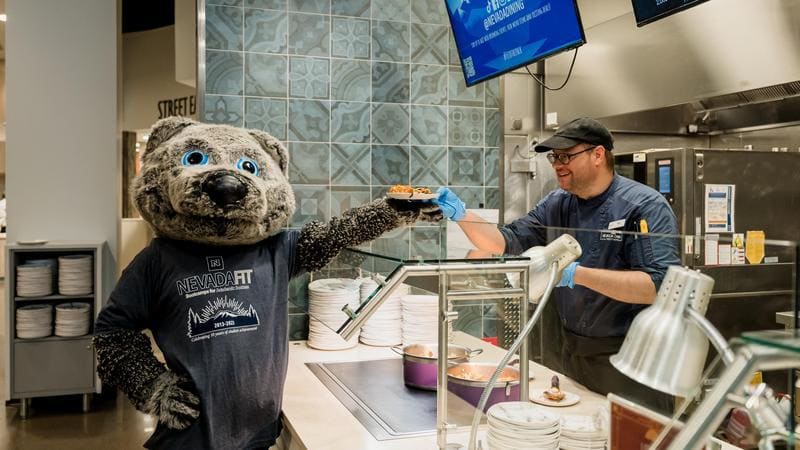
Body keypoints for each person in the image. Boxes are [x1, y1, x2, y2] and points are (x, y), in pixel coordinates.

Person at [436, 117, 680, 414]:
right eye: (554, 157)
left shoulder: (644, 206)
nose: (557, 164)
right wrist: (461, 215)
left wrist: (576, 274)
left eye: (566, 156)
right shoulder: (558, 202)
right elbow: (506, 241)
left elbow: (658, 287)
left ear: (598, 155)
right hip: (573, 354)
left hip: (631, 362)